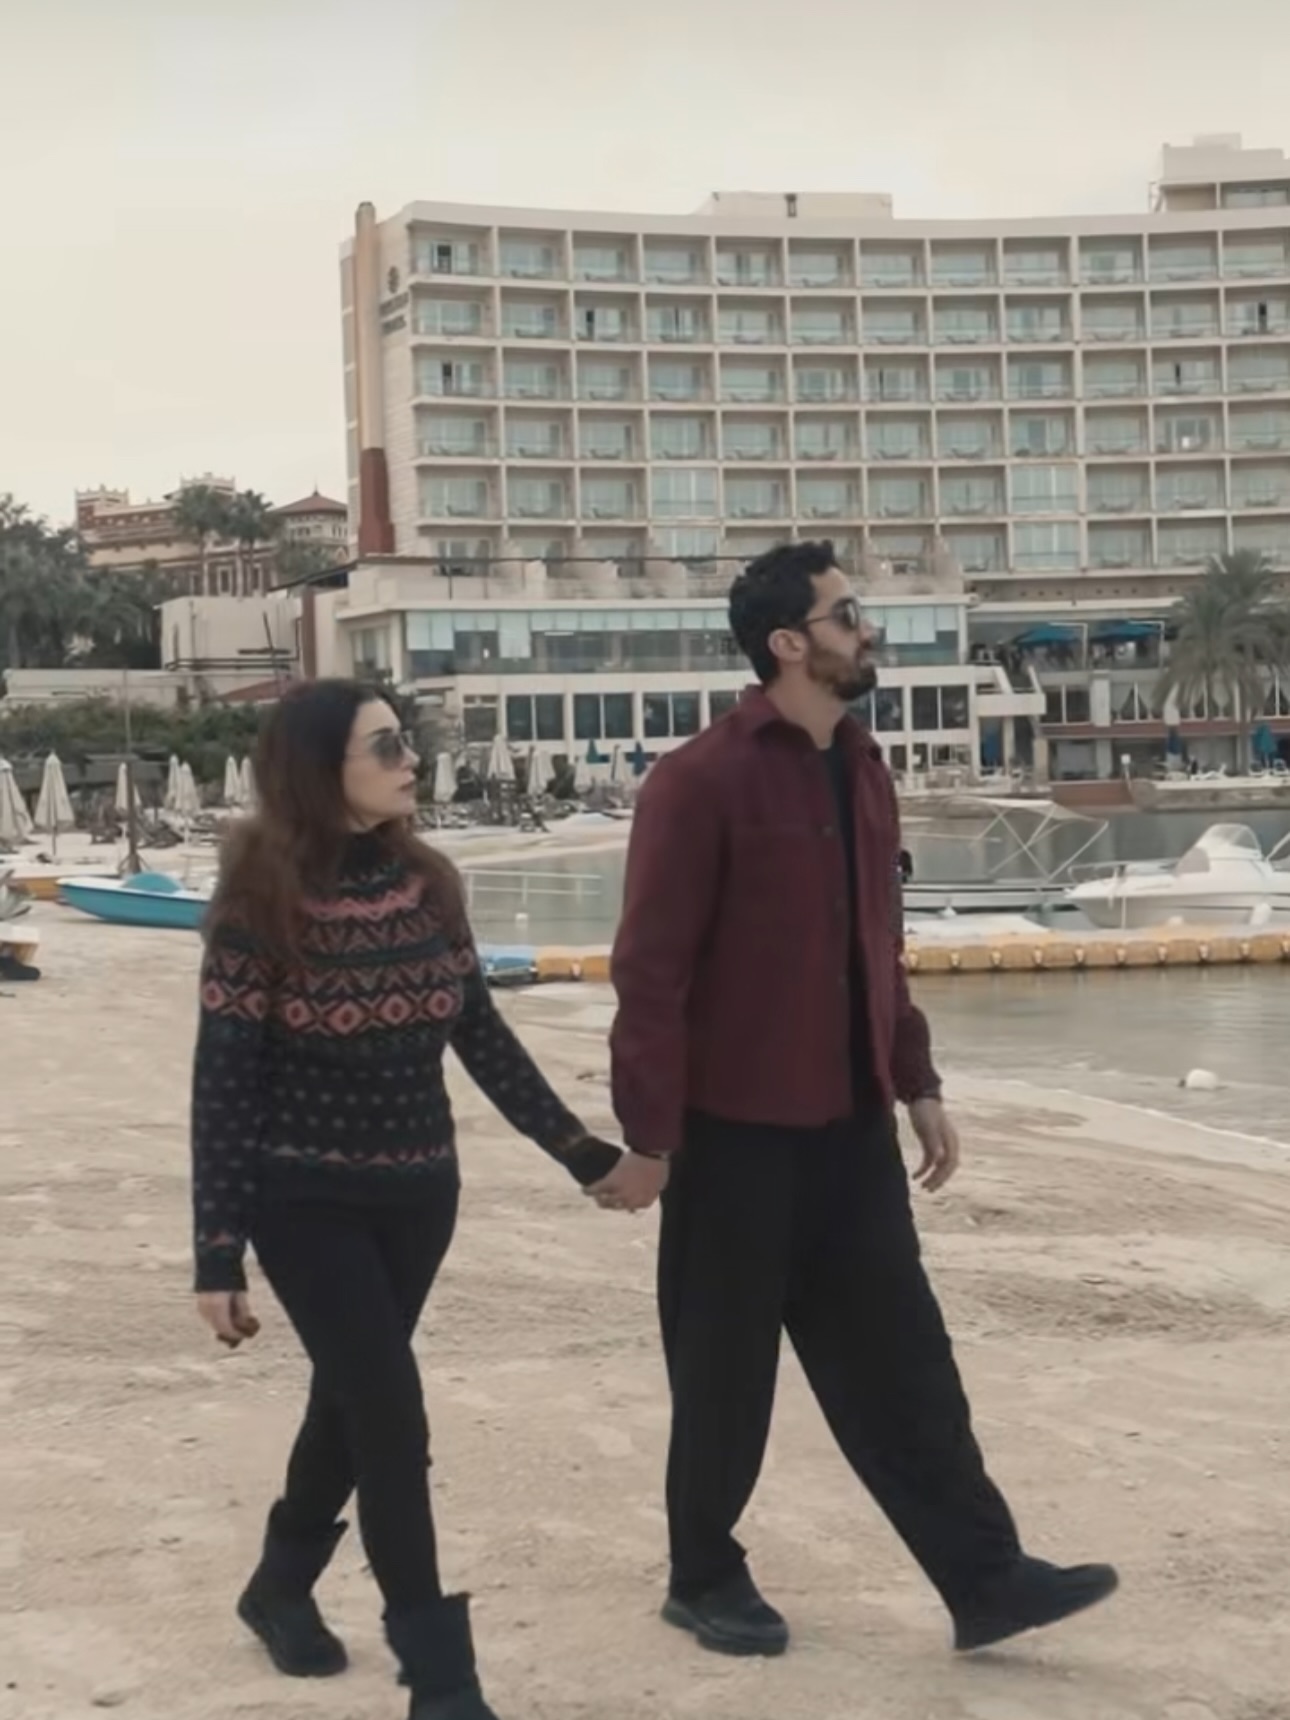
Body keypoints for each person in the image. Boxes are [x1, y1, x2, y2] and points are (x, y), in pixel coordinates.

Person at [590, 541, 1118, 1659]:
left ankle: (985, 1577)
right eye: (847, 614)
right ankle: (703, 1572)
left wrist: (916, 1079)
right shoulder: (699, 780)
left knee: (908, 1364)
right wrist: (650, 1138)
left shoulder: (864, 765)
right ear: (790, 643)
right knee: (724, 1371)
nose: (865, 628)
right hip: (732, 1135)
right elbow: (651, 972)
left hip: (850, 1127)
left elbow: (880, 945)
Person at [190, 679, 620, 1720]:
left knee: (349, 1399)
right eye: (385, 745)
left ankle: (280, 1584)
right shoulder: (259, 903)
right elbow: (224, 1081)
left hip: (422, 1193)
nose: (409, 760)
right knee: (389, 1411)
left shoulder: (429, 883)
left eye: (403, 742)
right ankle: (442, 1679)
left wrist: (581, 1152)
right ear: (320, 768)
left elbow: (478, 1033)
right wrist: (218, 1252)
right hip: (306, 1200)